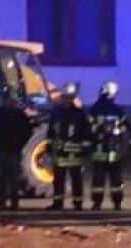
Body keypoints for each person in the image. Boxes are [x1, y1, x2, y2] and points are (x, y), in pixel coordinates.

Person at [46, 82, 90, 211]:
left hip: (75, 154)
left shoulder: (79, 113)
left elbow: (86, 132)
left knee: (76, 179)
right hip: (60, 153)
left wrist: (85, 147)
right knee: (58, 179)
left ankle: (77, 203)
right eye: (66, 97)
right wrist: (49, 145)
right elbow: (51, 131)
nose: (67, 100)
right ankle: (58, 203)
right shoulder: (57, 112)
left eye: (70, 98)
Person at [0, 95, 33, 210]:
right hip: (3, 149)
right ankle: (3, 202)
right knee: (2, 177)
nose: (11, 103)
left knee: (13, 177)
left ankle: (13, 203)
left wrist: (20, 144)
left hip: (12, 150)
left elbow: (28, 132)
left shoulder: (19, 115)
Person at [89, 81, 127, 211]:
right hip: (106, 150)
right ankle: (113, 203)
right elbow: (89, 127)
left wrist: (117, 130)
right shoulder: (99, 110)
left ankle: (104, 203)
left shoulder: (99, 109)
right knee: (107, 180)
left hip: (110, 150)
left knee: (108, 180)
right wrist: (102, 129)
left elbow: (126, 126)